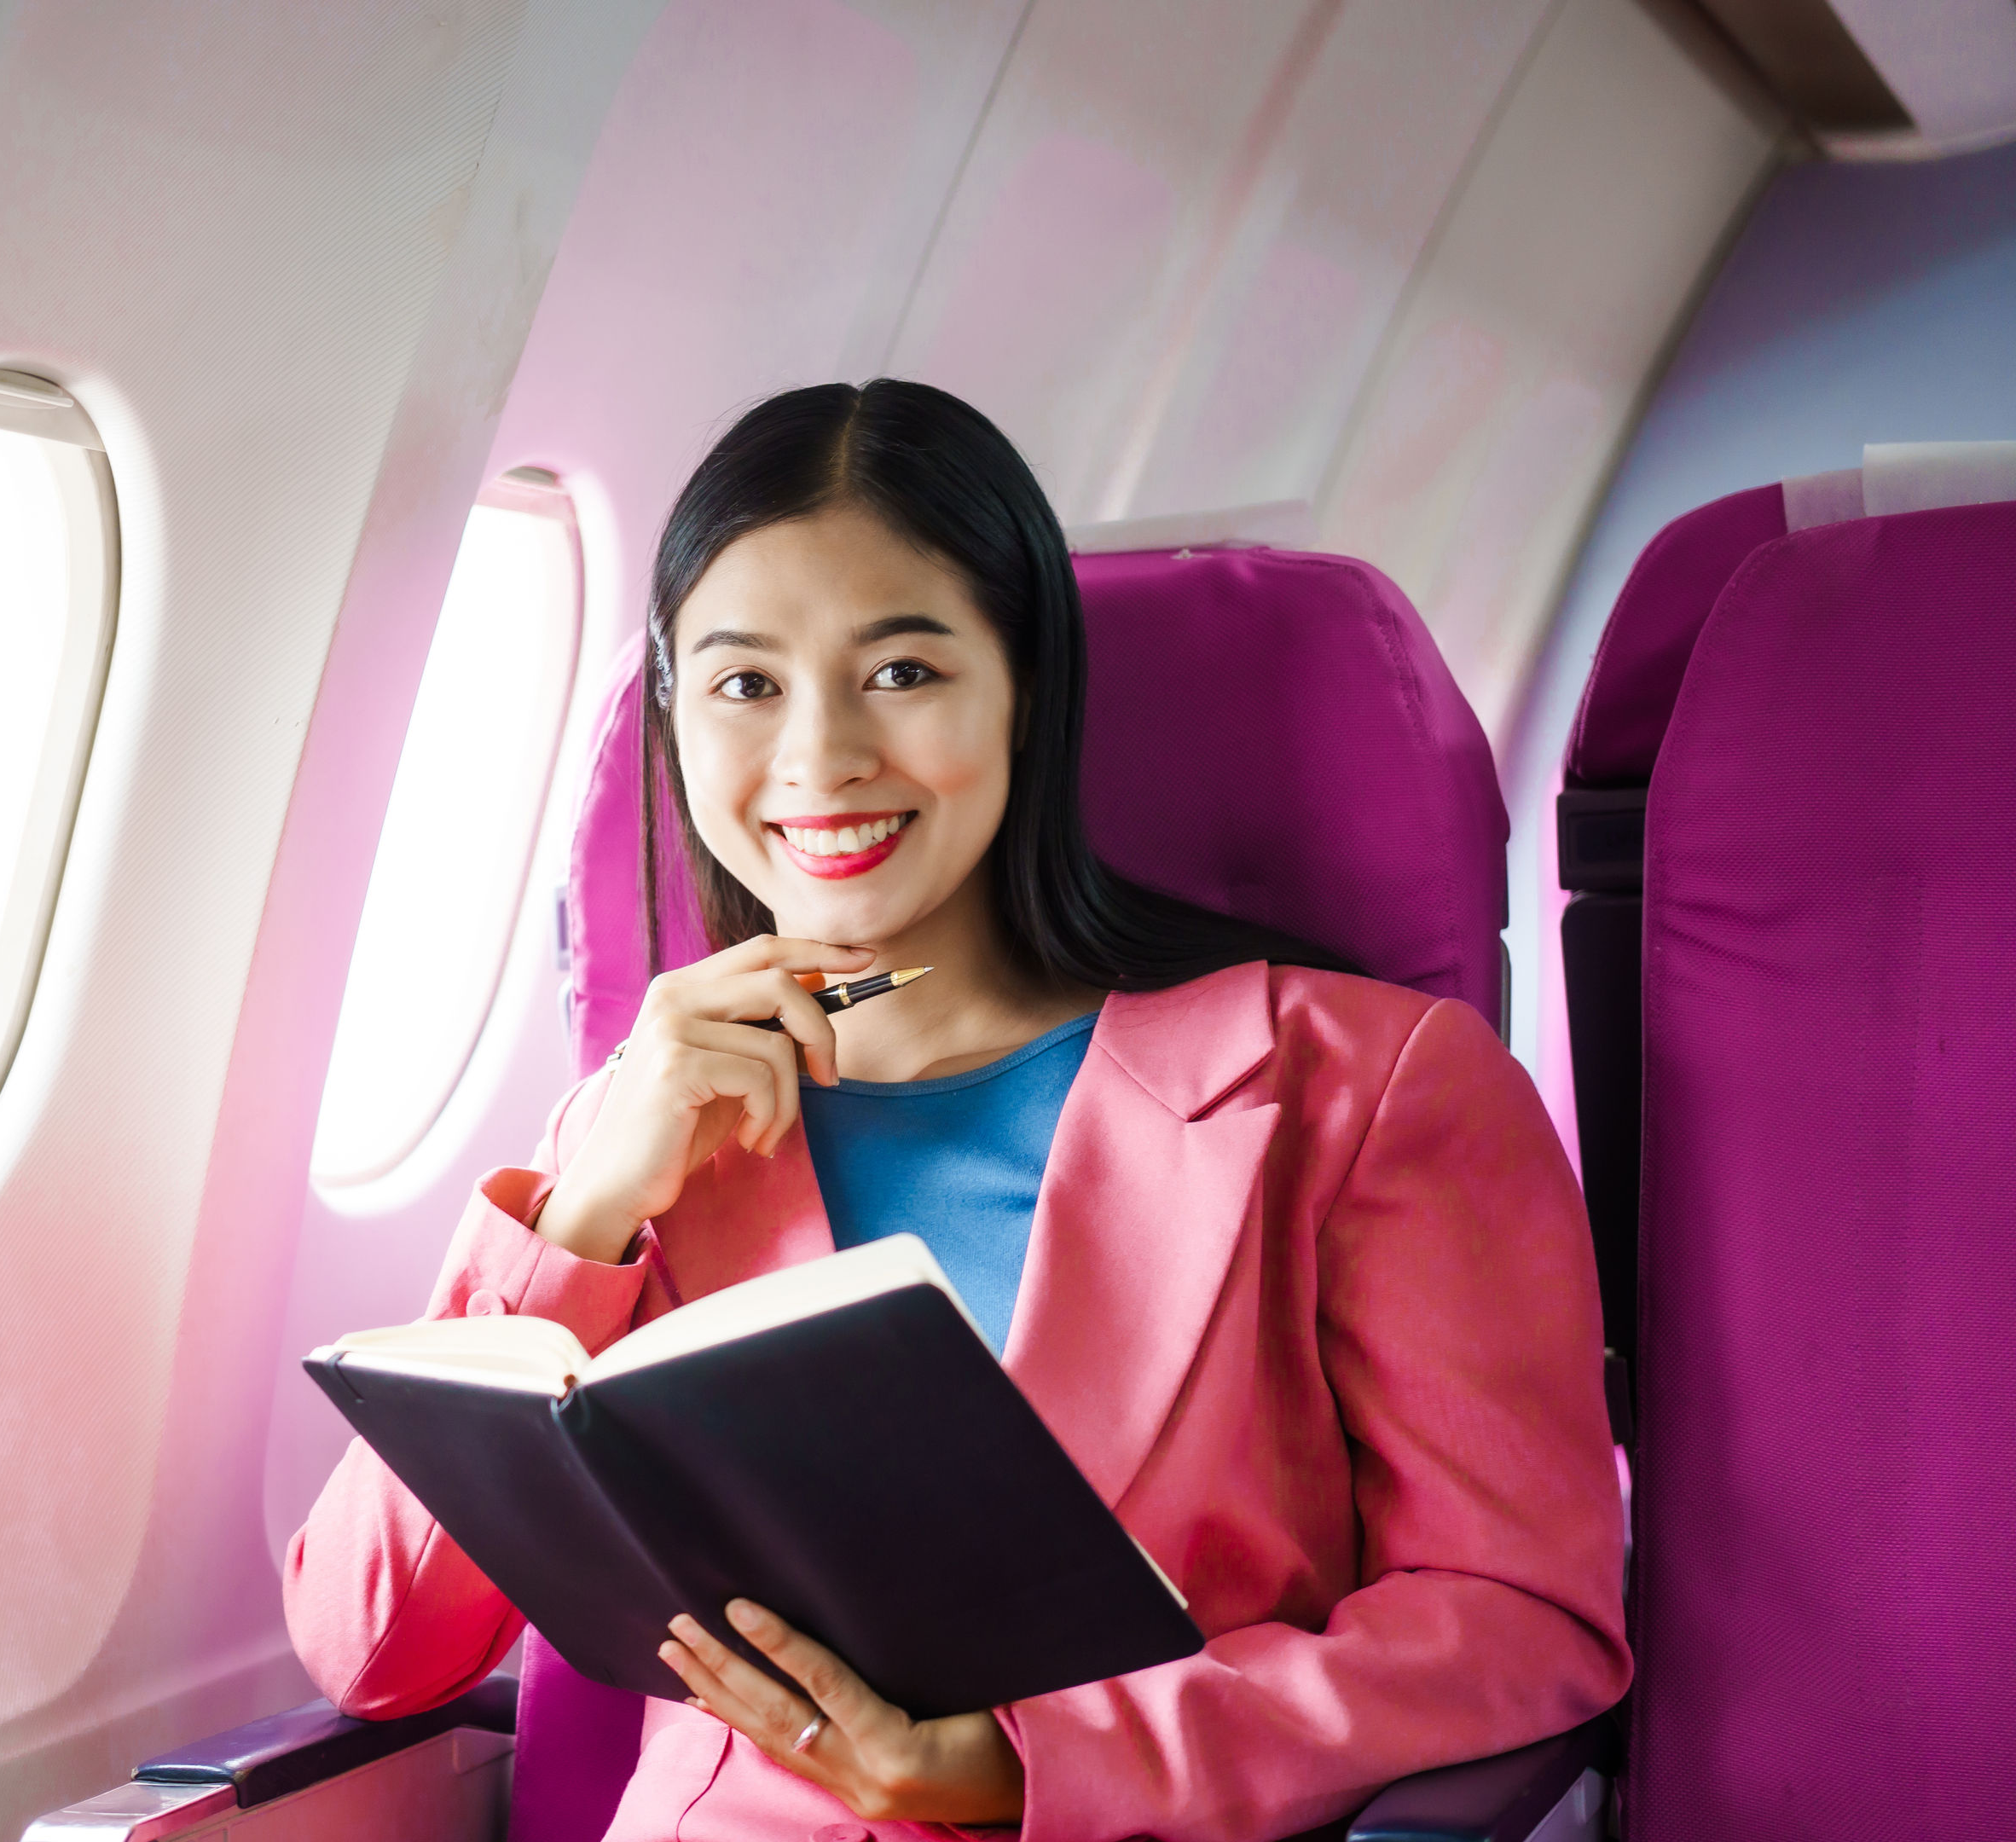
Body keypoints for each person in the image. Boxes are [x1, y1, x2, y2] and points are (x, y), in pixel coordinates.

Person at [281, 380, 1628, 1841]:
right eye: (745, 684)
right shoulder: (637, 1125)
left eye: (903, 671)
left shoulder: (1359, 1087)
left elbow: (1516, 1620)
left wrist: (1039, 1762)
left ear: (1027, 685)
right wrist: (588, 1218)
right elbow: (374, 1651)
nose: (819, 758)